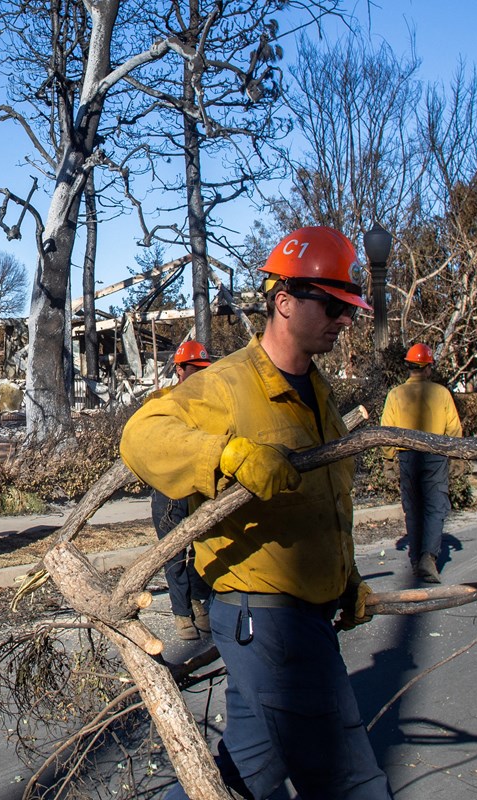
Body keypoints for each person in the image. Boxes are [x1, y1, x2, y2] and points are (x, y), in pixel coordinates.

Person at [120, 226, 392, 799]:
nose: (345, 319)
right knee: (351, 779)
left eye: (350, 307)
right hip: (267, 619)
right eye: (334, 305)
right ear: (285, 302)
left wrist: (346, 578)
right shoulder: (227, 384)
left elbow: (321, 505)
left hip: (303, 613)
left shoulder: (316, 393)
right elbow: (141, 436)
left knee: (250, 772)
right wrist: (227, 453)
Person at [380, 343, 463, 583]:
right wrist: (456, 456)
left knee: (413, 507)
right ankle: (429, 556)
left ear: (408, 367)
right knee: (435, 506)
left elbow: (387, 429)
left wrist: (388, 458)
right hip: (435, 455)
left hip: (407, 456)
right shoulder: (441, 393)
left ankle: (417, 559)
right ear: (427, 368)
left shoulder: (395, 394)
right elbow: (453, 428)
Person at [151, 340, 214, 640]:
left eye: (203, 369)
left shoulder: (207, 404)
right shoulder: (163, 402)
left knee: (203, 549)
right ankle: (182, 613)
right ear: (179, 369)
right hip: (168, 488)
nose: (200, 375)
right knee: (174, 552)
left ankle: (195, 599)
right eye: (194, 369)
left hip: (197, 486)